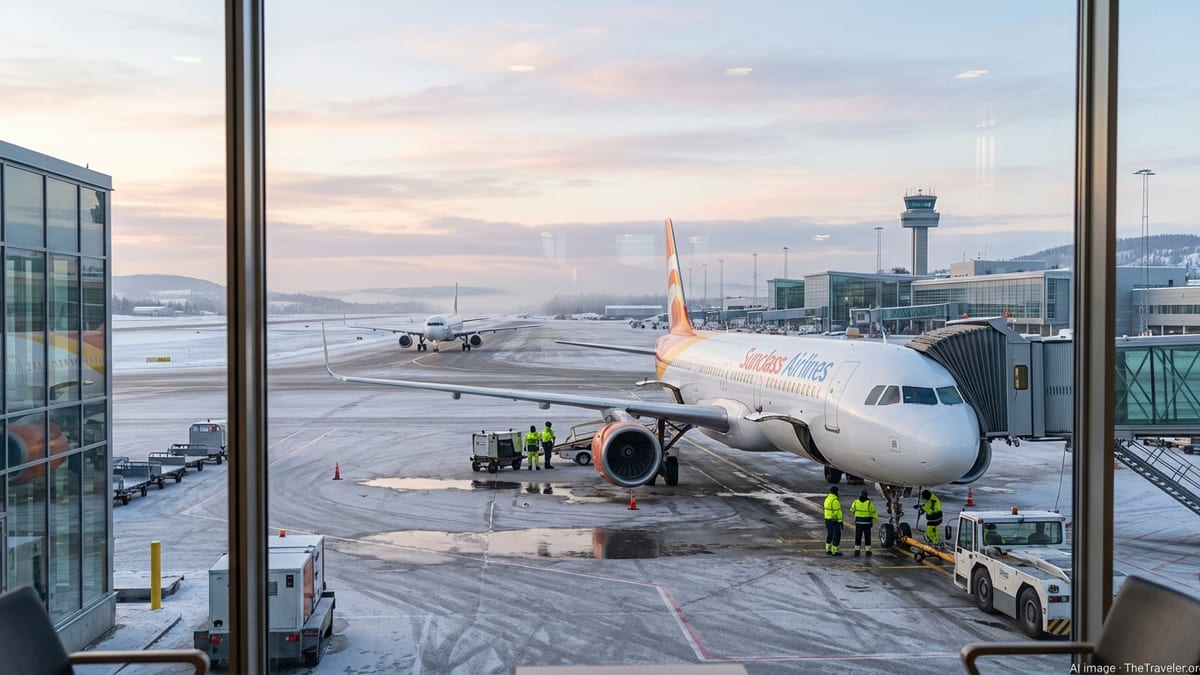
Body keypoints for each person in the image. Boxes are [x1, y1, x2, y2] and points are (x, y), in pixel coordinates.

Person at [850, 489, 878, 557]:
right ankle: (868, 551)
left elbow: (852, 510)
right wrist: (872, 522)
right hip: (867, 523)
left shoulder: (856, 502)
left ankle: (857, 550)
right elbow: (874, 513)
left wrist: (857, 516)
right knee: (867, 537)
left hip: (859, 522)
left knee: (858, 537)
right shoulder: (869, 503)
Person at [823, 485, 843, 556]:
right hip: (834, 520)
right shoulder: (835, 501)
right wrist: (840, 521)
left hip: (827, 519)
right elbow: (838, 512)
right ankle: (834, 551)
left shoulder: (827, 499)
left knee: (830, 534)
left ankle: (828, 549)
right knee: (837, 535)